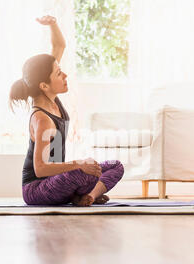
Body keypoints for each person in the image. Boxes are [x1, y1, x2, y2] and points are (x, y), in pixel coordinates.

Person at [9, 15, 124, 207]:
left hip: (57, 181)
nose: (65, 75)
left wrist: (53, 24)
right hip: (37, 189)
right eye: (58, 73)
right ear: (44, 85)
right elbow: (40, 168)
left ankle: (88, 197)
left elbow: (59, 47)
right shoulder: (42, 118)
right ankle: (78, 193)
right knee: (83, 172)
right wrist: (79, 164)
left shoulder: (50, 97)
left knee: (115, 167)